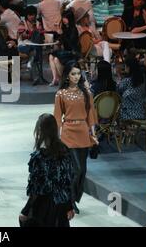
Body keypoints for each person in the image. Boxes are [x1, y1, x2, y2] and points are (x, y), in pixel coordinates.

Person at [53, 61, 98, 214]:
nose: (76, 76)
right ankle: (70, 202)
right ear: (67, 76)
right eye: (73, 74)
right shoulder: (61, 94)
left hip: (83, 132)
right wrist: (57, 136)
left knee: (83, 171)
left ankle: (74, 198)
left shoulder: (86, 93)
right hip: (68, 133)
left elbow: (91, 114)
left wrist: (93, 133)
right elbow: (58, 117)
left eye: (78, 73)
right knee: (77, 170)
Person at [19, 114, 74, 227]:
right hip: (61, 206)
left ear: (40, 130)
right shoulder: (65, 151)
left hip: (43, 208)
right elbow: (68, 182)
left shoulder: (39, 157)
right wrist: (69, 206)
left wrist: (25, 211)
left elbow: (36, 189)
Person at [48, 10, 80, 86]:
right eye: (63, 18)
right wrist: (58, 39)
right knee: (51, 56)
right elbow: (63, 40)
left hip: (73, 52)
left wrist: (62, 34)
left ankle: (64, 79)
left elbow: (71, 44)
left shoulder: (73, 29)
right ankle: (55, 78)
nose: (63, 20)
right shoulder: (65, 27)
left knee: (56, 59)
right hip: (66, 52)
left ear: (70, 18)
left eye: (65, 18)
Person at [117, 56, 146, 121]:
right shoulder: (142, 78)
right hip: (142, 111)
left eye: (125, 66)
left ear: (129, 67)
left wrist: (119, 76)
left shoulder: (127, 80)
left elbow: (118, 89)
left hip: (128, 113)